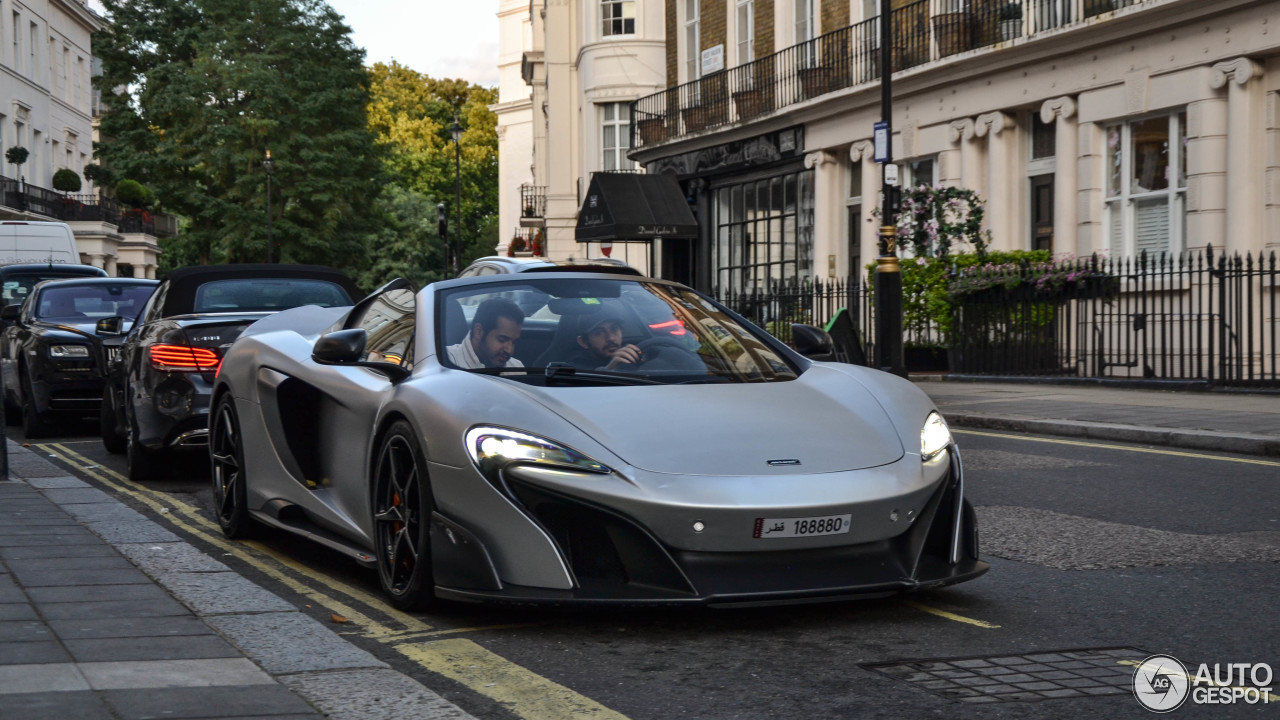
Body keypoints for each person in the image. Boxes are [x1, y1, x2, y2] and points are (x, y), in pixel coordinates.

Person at [447, 298, 525, 369]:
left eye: (514, 342)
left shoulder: (516, 367)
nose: (509, 350)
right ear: (478, 331)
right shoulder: (445, 361)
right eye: (502, 340)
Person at [567, 312, 642, 371]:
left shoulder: (631, 353)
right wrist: (608, 370)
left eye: (614, 329)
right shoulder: (576, 369)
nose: (611, 338)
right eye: (599, 333)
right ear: (583, 342)